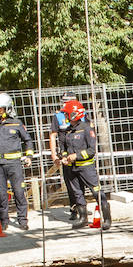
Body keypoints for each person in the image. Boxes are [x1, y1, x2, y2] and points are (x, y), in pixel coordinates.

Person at [0, 92, 35, 230]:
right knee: (1, 194)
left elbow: (28, 140)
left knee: (19, 192)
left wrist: (29, 156)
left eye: (0, 108)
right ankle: (3, 222)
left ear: (8, 108)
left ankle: (22, 220)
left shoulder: (16, 123)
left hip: (14, 165)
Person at [59, 98, 112, 230]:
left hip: (86, 168)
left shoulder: (87, 128)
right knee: (77, 193)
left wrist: (76, 156)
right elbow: (64, 148)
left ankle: (107, 218)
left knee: (96, 191)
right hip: (72, 168)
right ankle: (82, 218)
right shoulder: (68, 130)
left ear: (74, 114)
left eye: (67, 114)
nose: (65, 116)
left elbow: (91, 150)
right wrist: (64, 157)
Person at [49, 92, 79, 221]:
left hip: (79, 152)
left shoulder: (81, 115)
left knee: (84, 181)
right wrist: (54, 155)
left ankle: (85, 207)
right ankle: (74, 209)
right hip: (66, 154)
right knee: (70, 183)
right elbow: (53, 135)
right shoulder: (58, 116)